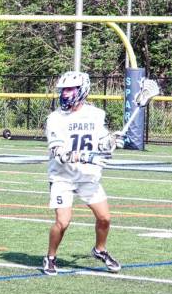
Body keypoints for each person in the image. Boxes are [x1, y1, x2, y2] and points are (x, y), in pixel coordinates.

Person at [42, 71, 124, 275]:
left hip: (87, 176)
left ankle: (100, 250)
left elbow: (102, 144)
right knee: (63, 221)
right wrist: (82, 156)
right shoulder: (55, 118)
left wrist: (112, 140)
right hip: (63, 176)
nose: (65, 94)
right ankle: (50, 257)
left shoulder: (96, 115)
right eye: (63, 90)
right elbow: (57, 151)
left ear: (82, 90)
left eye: (70, 89)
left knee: (104, 218)